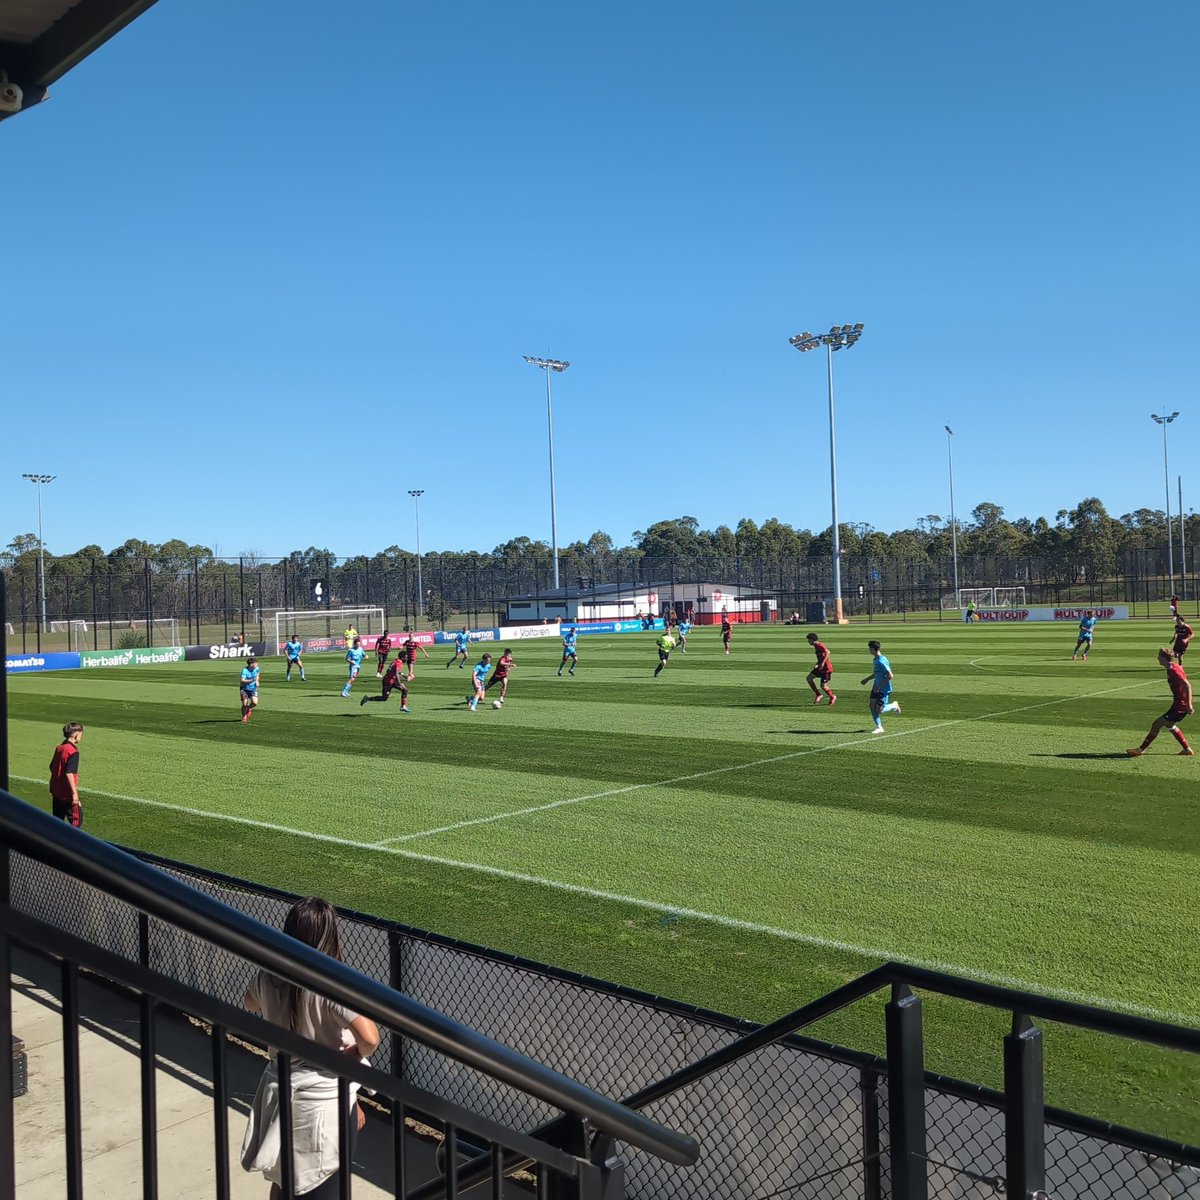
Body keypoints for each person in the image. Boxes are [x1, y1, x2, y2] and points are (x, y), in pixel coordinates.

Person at [241, 897, 381, 1199]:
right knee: (324, 1184)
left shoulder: (269, 976)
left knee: (283, 1181)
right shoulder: (331, 984)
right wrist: (354, 1055)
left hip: (283, 1090)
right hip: (322, 1101)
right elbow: (370, 1038)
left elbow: (248, 1001)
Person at [1127, 648, 1194, 757]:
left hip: (1180, 705)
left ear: (1163, 658)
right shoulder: (1172, 668)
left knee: (1156, 724)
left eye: (1159, 656)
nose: (1157, 658)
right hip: (1178, 703)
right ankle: (1187, 749)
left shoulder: (1174, 671)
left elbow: (1187, 685)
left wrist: (1189, 705)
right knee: (1169, 725)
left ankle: (1140, 749)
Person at [861, 640, 901, 733]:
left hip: (883, 689)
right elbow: (877, 673)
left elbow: (890, 675)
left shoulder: (881, 661)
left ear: (873, 649)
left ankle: (893, 705)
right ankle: (879, 727)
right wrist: (867, 679)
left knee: (879, 710)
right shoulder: (875, 659)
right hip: (876, 687)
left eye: (869, 648)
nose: (869, 650)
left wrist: (879, 686)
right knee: (872, 706)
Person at [48, 722, 84, 827]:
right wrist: (74, 794)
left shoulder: (60, 747)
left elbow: (51, 766)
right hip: (66, 794)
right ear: (77, 734)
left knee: (57, 820)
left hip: (56, 790)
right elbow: (69, 773)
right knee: (77, 822)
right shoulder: (73, 751)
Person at [806, 633, 836, 705]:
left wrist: (823, 662)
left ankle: (832, 697)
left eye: (809, 640)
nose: (808, 642)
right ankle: (818, 695)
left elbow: (828, 652)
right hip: (820, 667)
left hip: (826, 669)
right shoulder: (816, 646)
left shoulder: (820, 645)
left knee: (823, 686)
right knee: (809, 678)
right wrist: (817, 664)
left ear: (813, 640)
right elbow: (821, 657)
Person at [240, 656, 261, 723]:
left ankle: (249, 708)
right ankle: (244, 716)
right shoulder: (245, 670)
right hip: (244, 689)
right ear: (251, 664)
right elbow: (242, 680)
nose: (257, 664)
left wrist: (257, 681)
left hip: (252, 688)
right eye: (256, 663)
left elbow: (257, 674)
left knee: (255, 703)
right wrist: (252, 680)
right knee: (244, 704)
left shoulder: (257, 668)